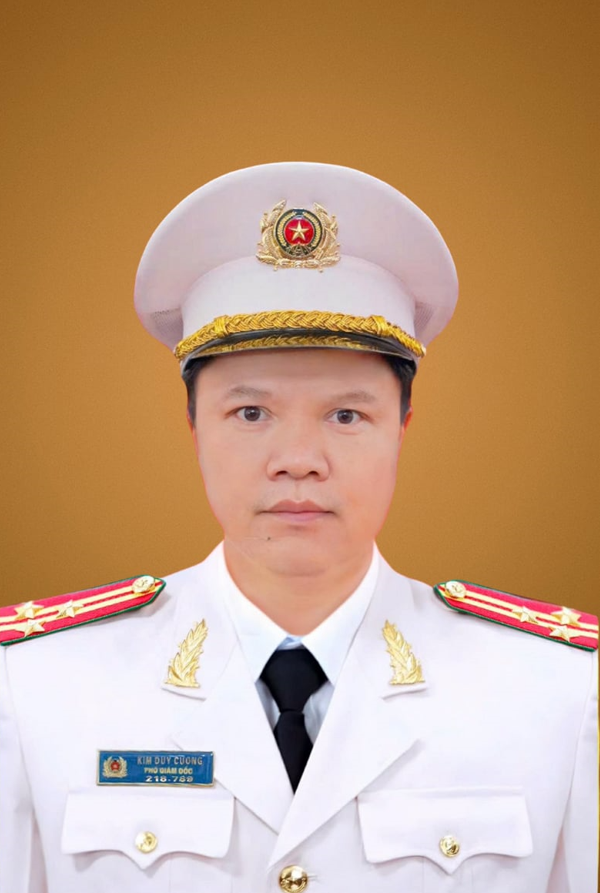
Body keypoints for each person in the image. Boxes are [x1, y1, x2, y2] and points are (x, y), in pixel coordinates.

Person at [0, 162, 597, 893]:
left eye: (347, 414)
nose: (299, 460)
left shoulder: (557, 692)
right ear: (193, 427)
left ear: (402, 428)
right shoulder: (38, 687)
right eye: (251, 412)